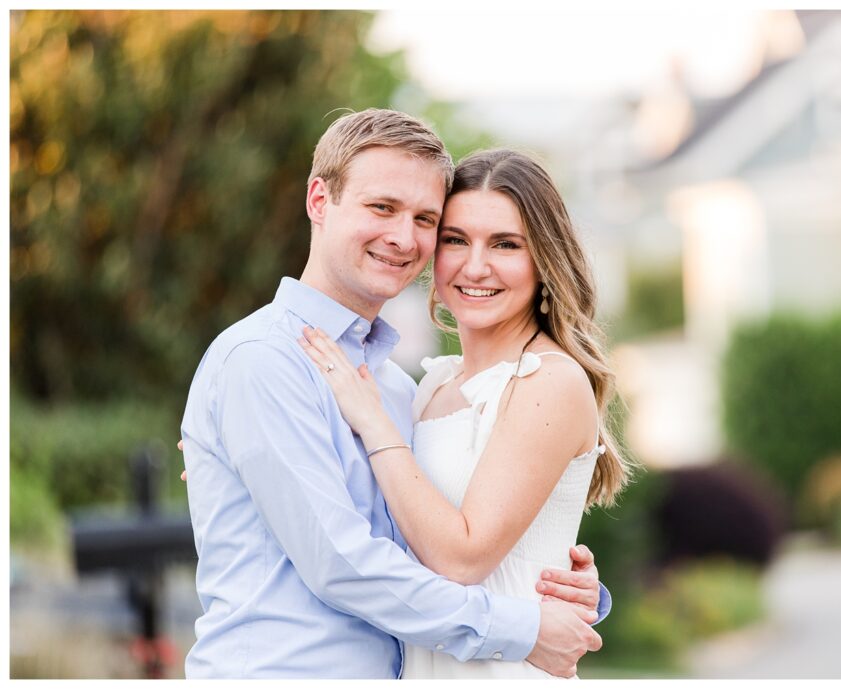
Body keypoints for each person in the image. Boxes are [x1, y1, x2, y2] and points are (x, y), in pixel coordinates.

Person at [180, 109, 606, 679]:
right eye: (382, 207)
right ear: (318, 201)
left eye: (425, 219)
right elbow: (343, 564)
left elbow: (425, 542)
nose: (403, 237)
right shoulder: (261, 361)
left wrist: (565, 588)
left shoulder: (394, 386)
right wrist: (525, 628)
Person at [297, 148, 633, 678]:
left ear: (544, 259)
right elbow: (382, 519)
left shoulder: (549, 379)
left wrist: (377, 427)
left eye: (505, 244)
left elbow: (463, 558)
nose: (476, 266)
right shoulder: (432, 385)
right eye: (456, 240)